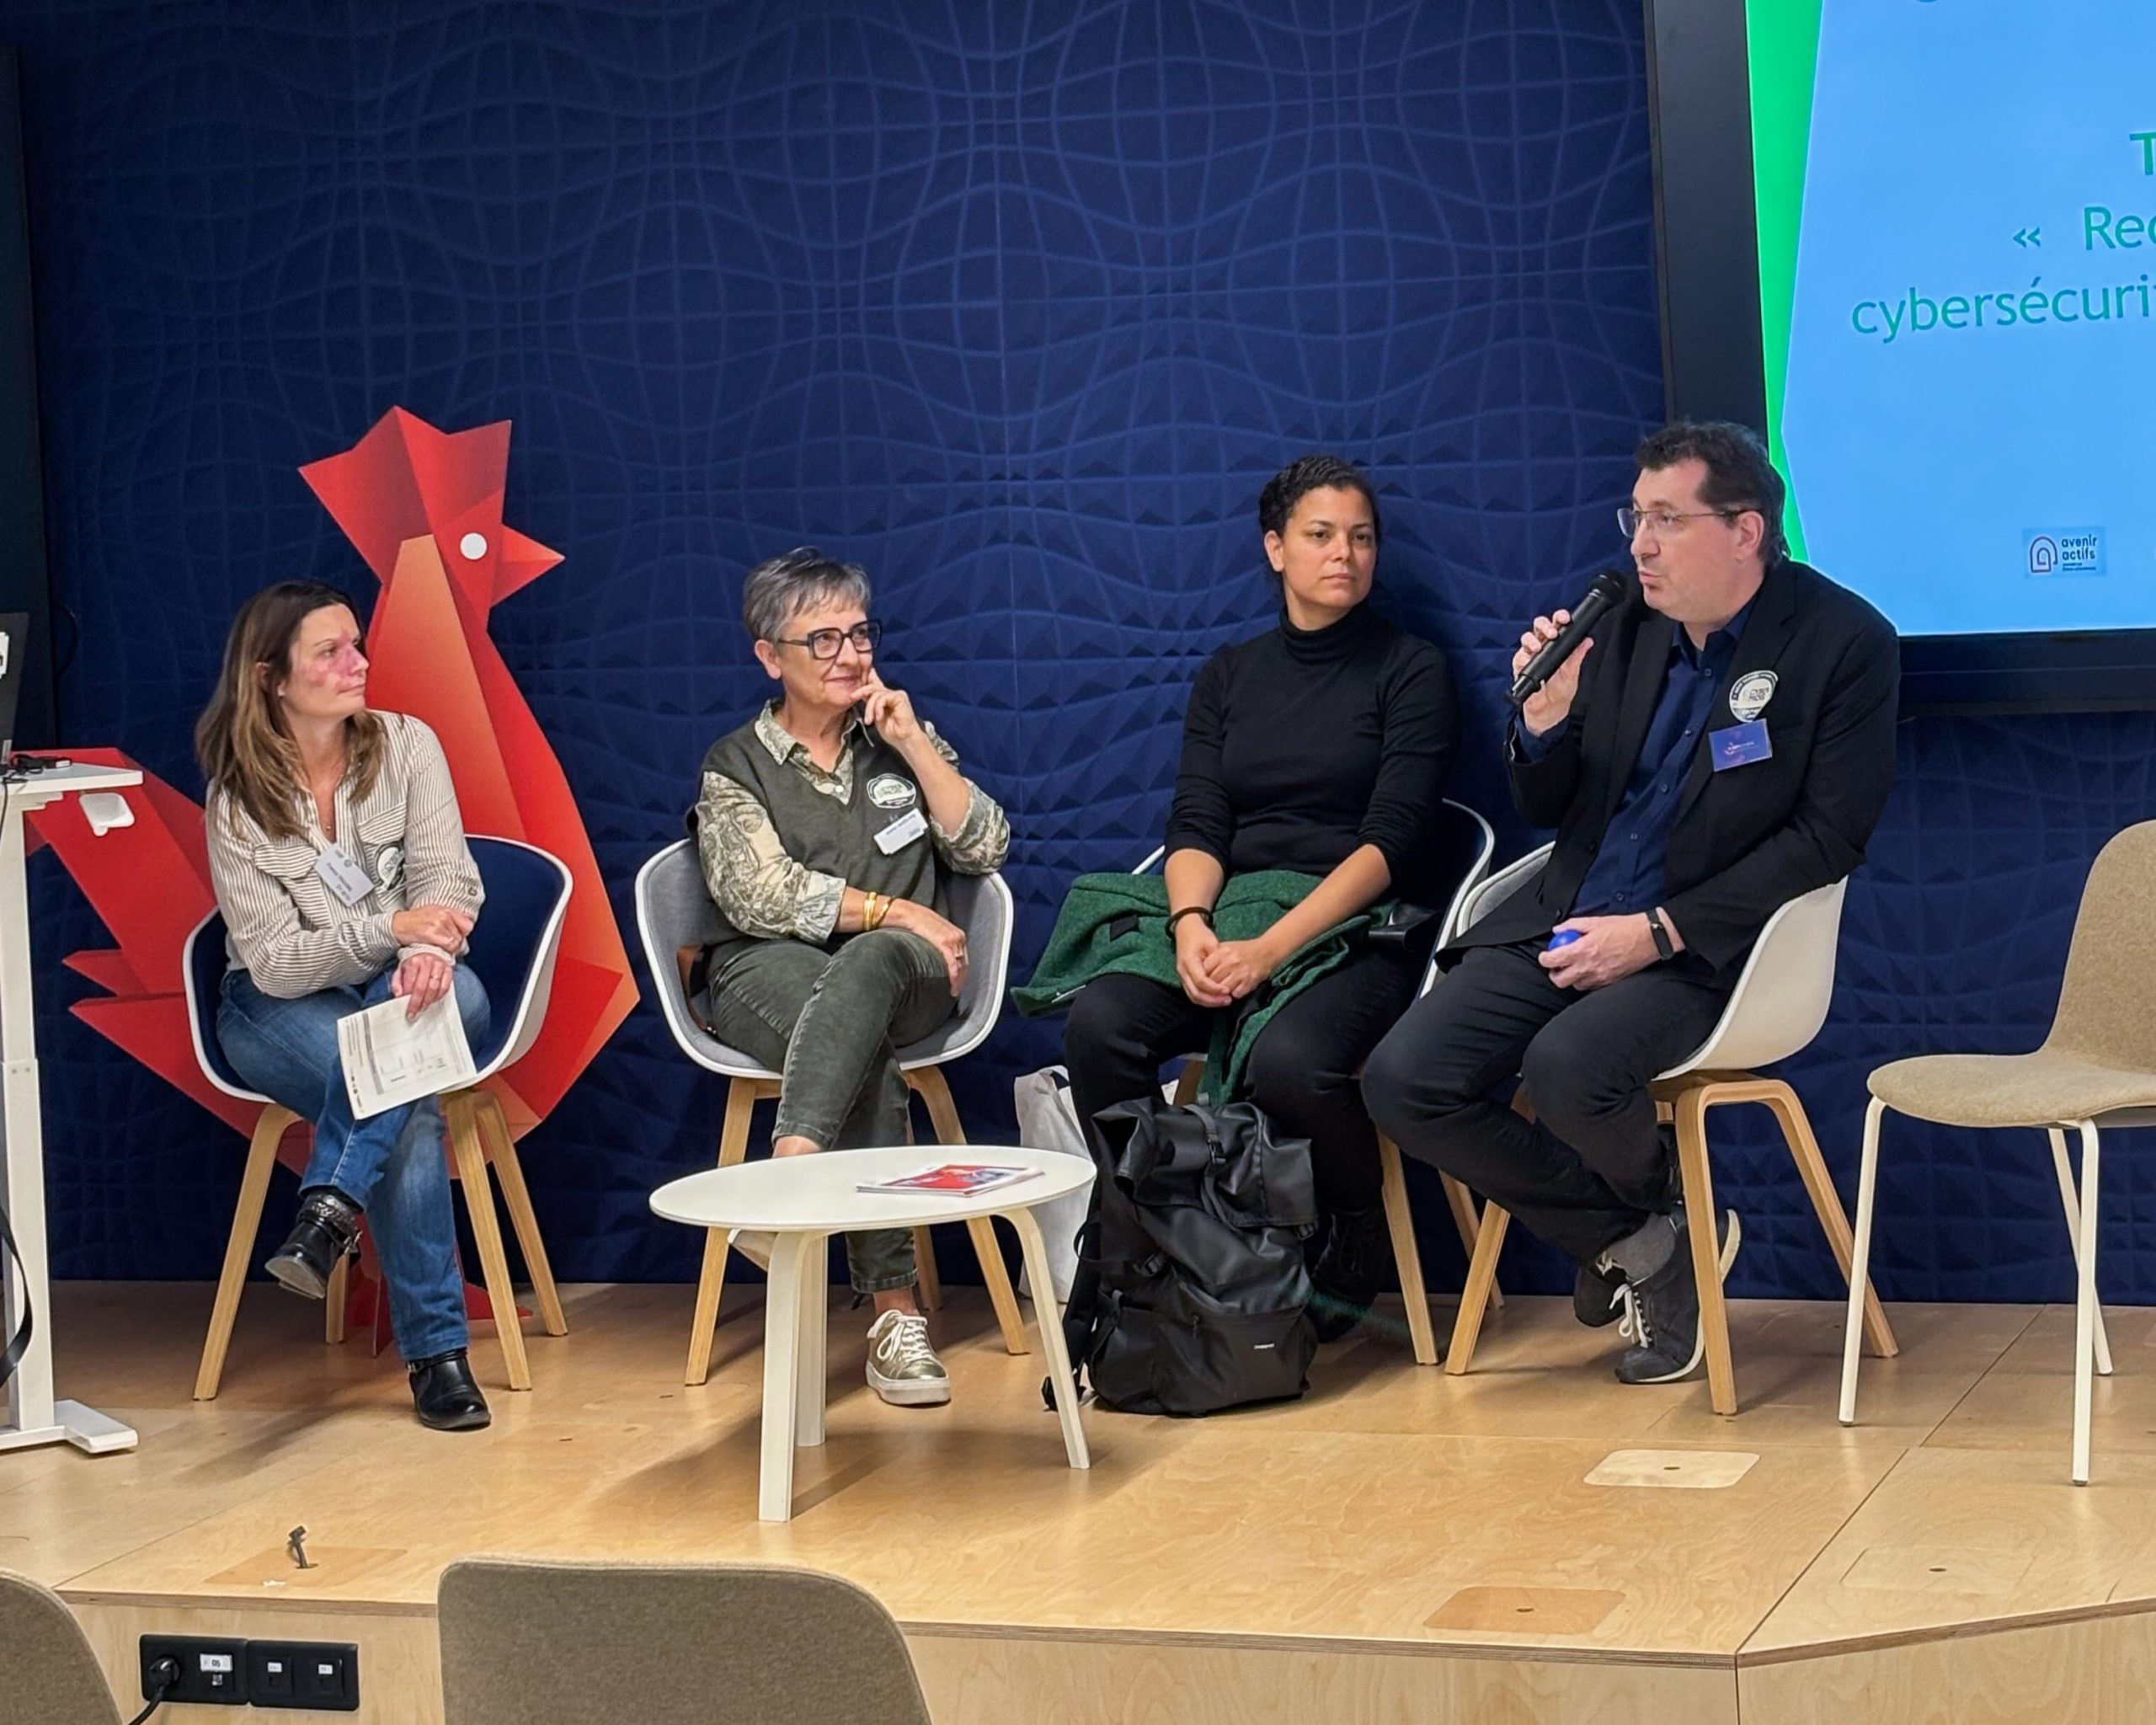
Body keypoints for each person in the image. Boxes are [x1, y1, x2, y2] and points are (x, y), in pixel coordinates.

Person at [1364, 421, 1899, 1385]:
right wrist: (1542, 722)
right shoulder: (1622, 624)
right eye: (1635, 517)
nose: (1638, 544)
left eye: (1665, 519)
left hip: (1710, 948)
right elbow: (1550, 805)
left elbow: (1829, 837)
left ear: (1745, 530)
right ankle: (1646, 1238)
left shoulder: (1842, 641)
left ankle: (1642, 1242)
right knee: (1403, 1077)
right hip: (1569, 912)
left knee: (1568, 1063)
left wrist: (1656, 932)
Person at [1060, 453, 1460, 1340]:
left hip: (1351, 925)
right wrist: (1193, 927)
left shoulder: (1410, 669)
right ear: (1274, 547)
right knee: (1101, 1023)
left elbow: (1389, 843)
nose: (1344, 555)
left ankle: (1351, 1231)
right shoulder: (1230, 676)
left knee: (1289, 1061)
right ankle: (1166, 1235)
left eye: (1361, 537)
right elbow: (1196, 821)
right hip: (1230, 912)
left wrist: (1269, 950)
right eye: (1320, 535)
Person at [686, 547, 1010, 1407]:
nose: (848, 655)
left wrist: (910, 741)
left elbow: (984, 846)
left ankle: (784, 1176)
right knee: (856, 1040)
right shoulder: (733, 765)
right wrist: (901, 908)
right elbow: (759, 894)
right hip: (767, 970)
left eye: (859, 633)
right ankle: (894, 1317)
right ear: (769, 655)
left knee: (865, 975)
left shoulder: (897, 738)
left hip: (908, 975)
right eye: (821, 639)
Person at [197, 581, 494, 1431]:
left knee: (424, 1031)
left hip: (411, 983)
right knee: (402, 1096)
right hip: (273, 1006)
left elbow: (447, 877)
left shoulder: (407, 745)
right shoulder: (237, 801)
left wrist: (428, 948)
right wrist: (391, 924)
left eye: (356, 643)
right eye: (329, 651)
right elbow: (280, 964)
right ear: (270, 678)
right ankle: (437, 1356)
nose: (357, 662)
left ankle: (327, 1212)